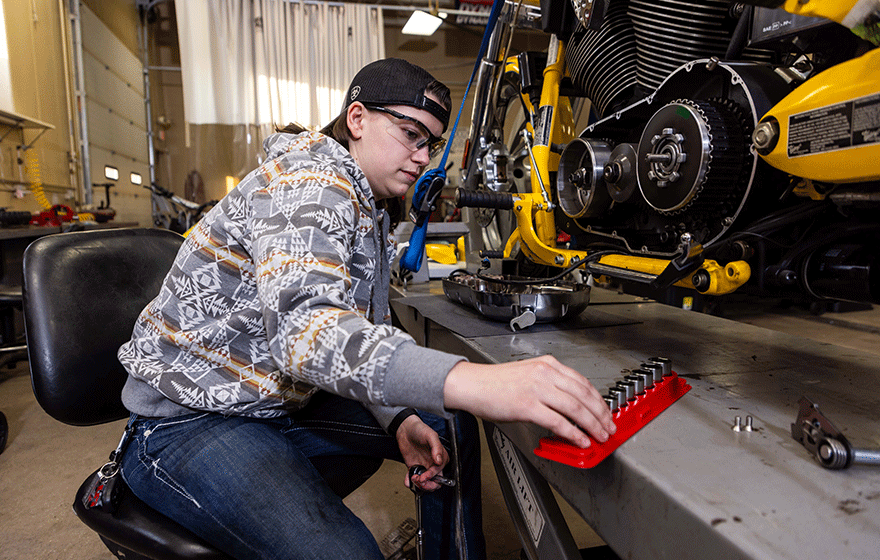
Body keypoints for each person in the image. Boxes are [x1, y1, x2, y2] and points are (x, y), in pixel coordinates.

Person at [116, 58, 616, 560]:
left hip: (275, 404)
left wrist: (399, 419)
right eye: (410, 134)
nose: (423, 157)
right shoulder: (309, 182)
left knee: (445, 423)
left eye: (432, 143)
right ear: (357, 119)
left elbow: (361, 333)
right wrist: (479, 382)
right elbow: (305, 333)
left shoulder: (366, 203)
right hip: (189, 421)